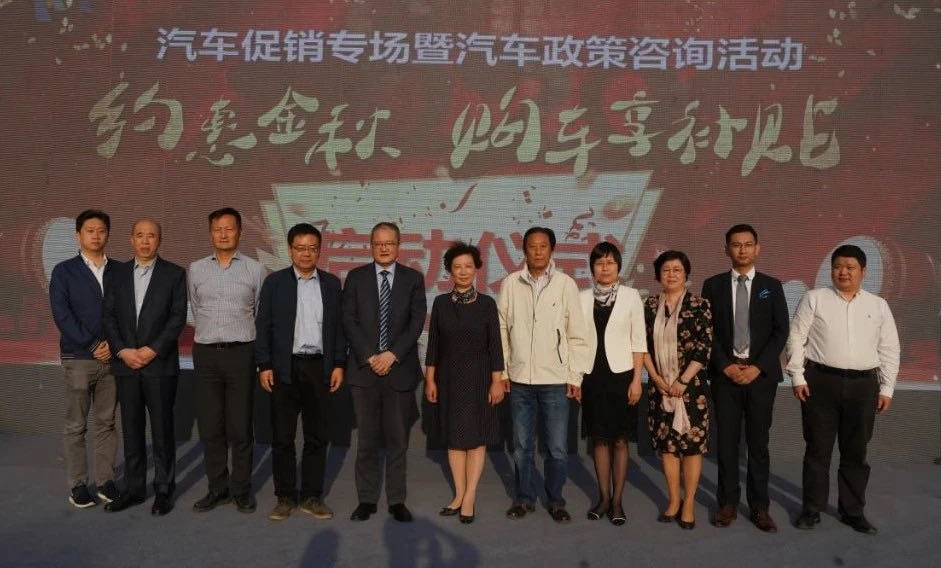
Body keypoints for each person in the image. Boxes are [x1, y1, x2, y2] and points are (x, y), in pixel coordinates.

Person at [787, 244, 900, 535]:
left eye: (850, 267)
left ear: (863, 271)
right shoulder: (814, 298)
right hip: (820, 383)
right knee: (817, 450)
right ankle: (812, 509)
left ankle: (852, 512)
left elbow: (889, 348)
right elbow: (796, 337)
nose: (843, 272)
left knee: (855, 452)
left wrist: (887, 387)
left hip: (864, 386)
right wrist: (797, 376)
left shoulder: (878, 305)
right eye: (838, 266)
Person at [498, 227, 591, 523]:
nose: (537, 251)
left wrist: (575, 376)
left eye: (543, 246)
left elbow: (577, 334)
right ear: (524, 250)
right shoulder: (511, 283)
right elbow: (501, 328)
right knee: (522, 447)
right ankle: (523, 498)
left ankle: (556, 500)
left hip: (555, 379)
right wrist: (503, 370)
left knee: (557, 448)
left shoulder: (565, 284)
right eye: (532, 246)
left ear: (552, 250)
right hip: (520, 379)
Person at [255, 223, 346, 522]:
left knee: (316, 436)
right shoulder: (275, 283)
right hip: (284, 367)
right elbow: (263, 326)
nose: (306, 253)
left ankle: (311, 496)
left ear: (319, 251)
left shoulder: (331, 284)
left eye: (312, 248)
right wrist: (264, 364)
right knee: (282, 436)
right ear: (290, 250)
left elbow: (339, 328)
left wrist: (339, 363)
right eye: (300, 248)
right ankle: (284, 497)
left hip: (319, 366)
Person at [701, 224, 789, 532]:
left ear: (757, 248)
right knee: (726, 443)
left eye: (748, 244)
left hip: (760, 377)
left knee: (758, 444)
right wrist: (725, 365)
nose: (742, 249)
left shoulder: (771, 286)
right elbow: (707, 330)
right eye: (736, 244)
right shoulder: (713, 285)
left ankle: (760, 507)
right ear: (726, 249)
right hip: (725, 376)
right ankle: (727, 503)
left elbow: (781, 331)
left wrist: (757, 367)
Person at [101, 219, 187, 515]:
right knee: (132, 429)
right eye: (140, 235)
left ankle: (164, 489)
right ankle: (135, 489)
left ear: (159, 240)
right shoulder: (117, 274)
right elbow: (108, 316)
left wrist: (152, 350)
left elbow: (177, 318)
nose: (145, 241)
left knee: (162, 431)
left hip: (159, 365)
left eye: (151, 236)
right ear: (131, 239)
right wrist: (123, 350)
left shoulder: (174, 274)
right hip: (126, 365)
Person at [342, 222, 426, 523]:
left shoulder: (413, 279)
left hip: (399, 370)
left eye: (389, 243)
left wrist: (392, 355)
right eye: (378, 243)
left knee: (397, 442)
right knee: (366, 441)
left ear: (399, 245)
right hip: (364, 372)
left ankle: (396, 500)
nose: (384, 248)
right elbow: (348, 319)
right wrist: (370, 356)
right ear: (371, 246)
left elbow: (416, 322)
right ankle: (366, 500)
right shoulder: (356, 277)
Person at [188, 207, 266, 514]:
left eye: (229, 228)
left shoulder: (255, 269)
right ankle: (217, 489)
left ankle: (241, 490)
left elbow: (259, 311)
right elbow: (196, 308)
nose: (223, 234)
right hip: (206, 354)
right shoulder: (195, 269)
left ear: (240, 232)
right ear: (210, 233)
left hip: (241, 353)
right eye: (217, 229)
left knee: (240, 427)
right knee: (210, 427)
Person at [425, 242, 505, 525]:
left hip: (480, 378)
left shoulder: (487, 304)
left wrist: (497, 381)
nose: (462, 271)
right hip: (448, 378)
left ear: (476, 269)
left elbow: (496, 347)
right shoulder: (440, 303)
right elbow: (433, 345)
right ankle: (459, 494)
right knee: (455, 438)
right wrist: (430, 379)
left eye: (468, 266)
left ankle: (470, 496)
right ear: (449, 271)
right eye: (457, 267)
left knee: (476, 438)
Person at [49, 209, 119, 508]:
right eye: (90, 230)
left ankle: (105, 481)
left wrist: (113, 345)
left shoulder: (119, 270)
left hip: (112, 358)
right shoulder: (64, 271)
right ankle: (78, 484)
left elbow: (127, 313)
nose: (96, 236)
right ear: (78, 235)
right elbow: (62, 315)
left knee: (107, 422)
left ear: (108, 234)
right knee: (76, 425)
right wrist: (92, 344)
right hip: (78, 357)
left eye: (101, 230)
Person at [643, 250, 712, 530]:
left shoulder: (699, 305)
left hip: (691, 389)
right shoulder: (649, 305)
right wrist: (657, 379)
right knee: (668, 446)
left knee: (691, 448)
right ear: (658, 274)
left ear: (686, 274)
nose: (671, 275)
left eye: (677, 270)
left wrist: (682, 381)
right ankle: (673, 500)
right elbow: (641, 346)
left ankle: (689, 503)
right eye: (666, 270)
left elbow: (704, 347)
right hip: (659, 386)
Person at [578, 241, 646, 526]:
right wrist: (575, 377)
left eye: (610, 262)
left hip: (622, 377)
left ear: (618, 266)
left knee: (619, 439)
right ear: (592, 268)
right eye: (599, 263)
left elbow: (639, 341)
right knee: (599, 439)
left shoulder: (631, 297)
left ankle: (617, 501)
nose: (604, 268)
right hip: (592, 376)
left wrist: (637, 381)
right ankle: (603, 498)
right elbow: (575, 340)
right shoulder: (582, 298)